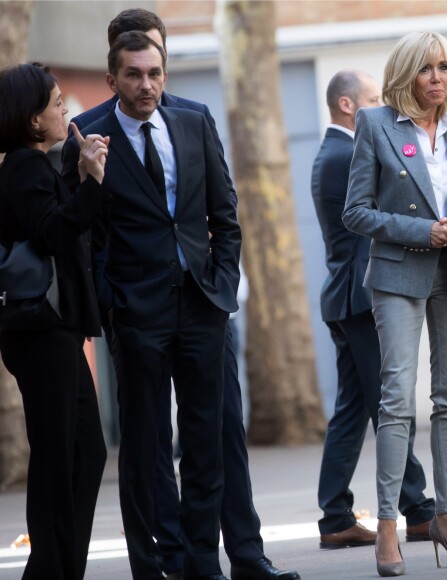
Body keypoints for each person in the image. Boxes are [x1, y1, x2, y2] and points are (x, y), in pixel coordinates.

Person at [61, 9, 300, 580]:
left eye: (156, 73)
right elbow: (83, 233)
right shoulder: (87, 134)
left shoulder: (194, 121)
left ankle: (213, 561)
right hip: (135, 312)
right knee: (146, 449)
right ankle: (161, 563)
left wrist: (221, 282)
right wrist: (110, 302)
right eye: (135, 74)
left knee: (213, 438)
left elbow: (226, 212)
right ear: (114, 74)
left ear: (166, 71)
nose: (147, 84)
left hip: (202, 304)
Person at [311, 69, 447, 549]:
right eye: (370, 98)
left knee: (354, 407)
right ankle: (416, 509)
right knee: (391, 402)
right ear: (349, 106)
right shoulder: (347, 149)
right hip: (370, 292)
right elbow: (366, 214)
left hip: (356, 294)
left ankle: (337, 514)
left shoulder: (337, 149)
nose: (380, 105)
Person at [0, 63, 109, 579]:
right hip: (41, 334)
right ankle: (49, 571)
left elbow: (53, 217)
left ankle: (60, 568)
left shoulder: (34, 164)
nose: (64, 106)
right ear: (30, 117)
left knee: (83, 454)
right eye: (56, 100)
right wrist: (90, 183)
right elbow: (52, 232)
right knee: (59, 458)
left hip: (53, 333)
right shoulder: (21, 166)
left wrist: (75, 169)